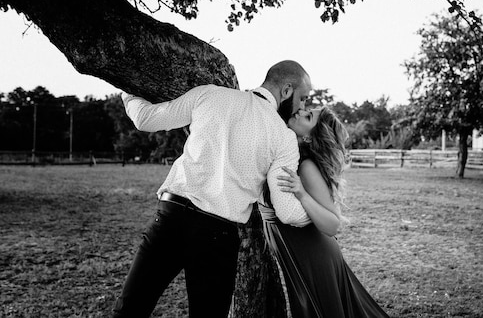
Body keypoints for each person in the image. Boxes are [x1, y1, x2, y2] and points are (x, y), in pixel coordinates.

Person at [112, 60, 314, 318]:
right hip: (217, 234)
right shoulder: (283, 137)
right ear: (287, 90)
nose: (302, 106)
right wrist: (321, 210)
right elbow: (288, 212)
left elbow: (145, 118)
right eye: (303, 98)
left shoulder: (210, 93)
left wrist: (126, 89)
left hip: (171, 216)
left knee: (129, 310)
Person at [260, 107, 390, 318]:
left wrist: (301, 193)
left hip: (315, 256)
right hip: (301, 251)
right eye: (306, 109)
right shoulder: (287, 154)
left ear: (311, 136)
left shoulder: (306, 167)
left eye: (308, 116)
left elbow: (333, 224)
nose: (300, 112)